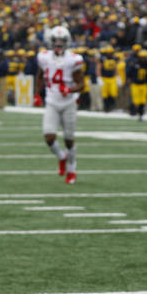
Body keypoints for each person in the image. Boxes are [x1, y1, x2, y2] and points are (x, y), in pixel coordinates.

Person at [35, 26, 84, 184]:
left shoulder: (73, 60)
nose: (58, 44)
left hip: (68, 102)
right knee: (49, 136)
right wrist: (37, 94)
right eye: (55, 40)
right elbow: (40, 76)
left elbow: (82, 84)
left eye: (61, 41)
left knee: (69, 139)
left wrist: (69, 89)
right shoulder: (44, 57)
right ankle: (62, 157)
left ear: (67, 42)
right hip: (52, 101)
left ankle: (72, 169)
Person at [128, 49, 147, 121]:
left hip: (144, 84)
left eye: (145, 57)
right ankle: (132, 111)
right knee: (136, 100)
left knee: (143, 101)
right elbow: (129, 72)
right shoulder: (135, 64)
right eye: (142, 57)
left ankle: (140, 114)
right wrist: (129, 78)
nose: (144, 58)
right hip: (135, 84)